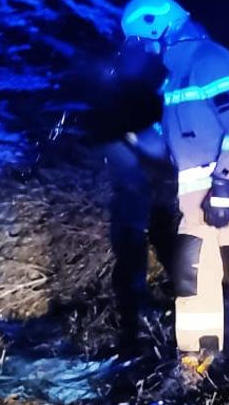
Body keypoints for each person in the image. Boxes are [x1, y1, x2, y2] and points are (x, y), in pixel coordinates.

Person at [120, 0, 229, 377]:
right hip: (197, 198)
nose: (141, 51)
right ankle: (194, 364)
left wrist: (225, 187)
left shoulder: (213, 61)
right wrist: (128, 129)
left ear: (160, 27)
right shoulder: (172, 79)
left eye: (141, 41)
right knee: (191, 274)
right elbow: (169, 144)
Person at [77, 35, 181, 355]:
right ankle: (141, 328)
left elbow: (141, 140)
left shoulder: (137, 94)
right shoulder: (140, 92)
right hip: (148, 190)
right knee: (148, 252)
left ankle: (139, 330)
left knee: (143, 252)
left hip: (144, 190)